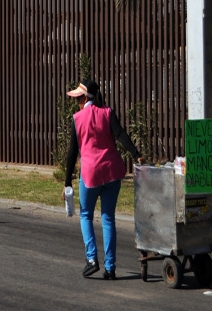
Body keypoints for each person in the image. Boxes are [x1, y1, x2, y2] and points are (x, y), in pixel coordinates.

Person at [64, 79, 145, 281]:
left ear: (84, 98)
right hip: (112, 172)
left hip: (90, 175)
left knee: (86, 215)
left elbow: (72, 153)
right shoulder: (107, 113)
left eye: (78, 98)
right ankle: (110, 267)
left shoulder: (77, 118)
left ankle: (92, 259)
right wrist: (136, 155)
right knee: (108, 218)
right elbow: (121, 135)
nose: (76, 102)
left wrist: (67, 181)